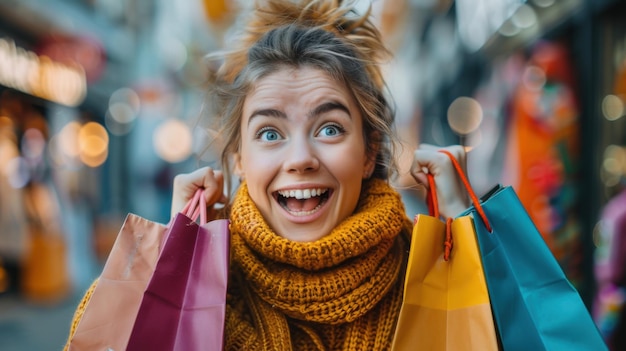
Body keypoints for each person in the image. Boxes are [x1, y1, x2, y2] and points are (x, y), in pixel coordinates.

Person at [66, 0, 469, 349]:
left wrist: (468, 244)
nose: (300, 159)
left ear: (369, 152)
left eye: (329, 128)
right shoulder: (201, 281)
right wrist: (173, 266)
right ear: (239, 159)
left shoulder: (433, 270)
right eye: (270, 133)